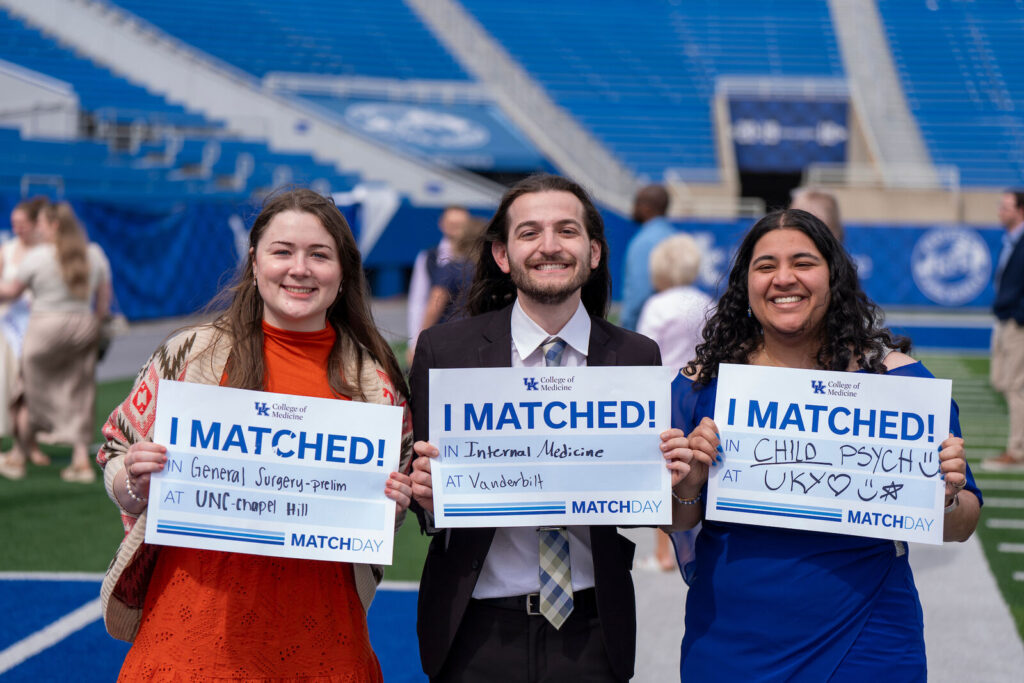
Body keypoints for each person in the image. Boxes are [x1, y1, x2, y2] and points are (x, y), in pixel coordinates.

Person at [96, 189, 414, 680]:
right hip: (193, 632)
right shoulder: (191, 355)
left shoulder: (376, 383)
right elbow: (116, 451)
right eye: (282, 251)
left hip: (322, 635)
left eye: (319, 255)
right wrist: (134, 481)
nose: (299, 268)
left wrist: (391, 509)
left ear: (343, 270)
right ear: (254, 259)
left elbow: (383, 510)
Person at [661, 208, 982, 681]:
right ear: (744, 286)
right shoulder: (698, 385)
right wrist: (689, 484)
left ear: (834, 278)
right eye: (765, 266)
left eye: (803, 263)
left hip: (868, 636)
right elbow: (674, 516)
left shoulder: (901, 385)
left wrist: (947, 496)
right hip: (734, 637)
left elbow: (961, 524)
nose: (784, 278)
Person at [408, 174, 667, 682]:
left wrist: (669, 479)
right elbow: (430, 505)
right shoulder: (445, 353)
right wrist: (428, 499)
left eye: (566, 231)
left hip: (594, 629)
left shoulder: (636, 356)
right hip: (475, 630)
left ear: (594, 253)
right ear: (503, 255)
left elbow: (639, 498)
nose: (549, 246)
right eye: (530, 233)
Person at [0, 201, 111, 482]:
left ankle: (17, 457)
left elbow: (11, 293)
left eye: (40, 224)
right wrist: (93, 328)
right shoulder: (94, 254)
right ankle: (79, 462)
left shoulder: (38, 257)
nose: (37, 229)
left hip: (45, 326)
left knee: (27, 395)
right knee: (80, 395)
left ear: (54, 225)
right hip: (83, 326)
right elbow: (103, 304)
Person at [635, 233, 713, 571]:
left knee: (664, 472)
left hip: (664, 393)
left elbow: (641, 351)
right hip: (699, 394)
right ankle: (687, 549)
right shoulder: (708, 302)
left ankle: (663, 553)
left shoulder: (658, 304)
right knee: (693, 474)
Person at [0, 198, 45, 467]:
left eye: (22, 224)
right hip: (8, 326)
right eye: (14, 224)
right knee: (7, 385)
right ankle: (16, 444)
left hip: (35, 324)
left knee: (31, 389)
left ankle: (29, 444)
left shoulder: (44, 252)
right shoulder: (7, 249)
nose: (17, 229)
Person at [984, 190, 1024, 469]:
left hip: (1017, 322)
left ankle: (1018, 450)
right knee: (1002, 381)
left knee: (1017, 386)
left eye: (1005, 206)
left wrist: (1019, 317)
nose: (1000, 210)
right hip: (1005, 318)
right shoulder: (1011, 240)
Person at [407, 206, 472, 355]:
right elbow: (422, 300)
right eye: (451, 224)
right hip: (443, 335)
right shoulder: (430, 257)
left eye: (460, 225)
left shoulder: (477, 256)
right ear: (441, 224)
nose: (456, 229)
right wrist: (416, 340)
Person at [620, 184, 675, 331]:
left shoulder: (645, 241)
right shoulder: (674, 237)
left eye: (636, 203)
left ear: (646, 208)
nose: (633, 208)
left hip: (647, 330)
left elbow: (640, 293)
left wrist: (627, 330)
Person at [416, 214, 483, 334]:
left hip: (452, 332)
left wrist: (419, 337)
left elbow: (435, 306)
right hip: (482, 331)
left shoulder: (452, 268)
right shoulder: (488, 269)